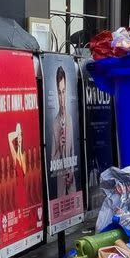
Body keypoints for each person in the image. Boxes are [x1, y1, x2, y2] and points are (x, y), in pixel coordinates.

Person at [51, 65, 76, 197]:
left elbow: (73, 151)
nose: (62, 97)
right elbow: (52, 161)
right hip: (61, 183)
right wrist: (59, 148)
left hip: (72, 182)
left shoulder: (70, 119)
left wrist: (71, 171)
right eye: (59, 92)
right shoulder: (55, 123)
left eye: (64, 91)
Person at [8, 124, 27, 209]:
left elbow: (24, 172)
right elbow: (9, 137)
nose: (19, 137)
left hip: (24, 189)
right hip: (18, 190)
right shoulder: (14, 155)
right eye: (18, 136)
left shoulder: (24, 154)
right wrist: (17, 133)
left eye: (21, 135)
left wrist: (19, 147)